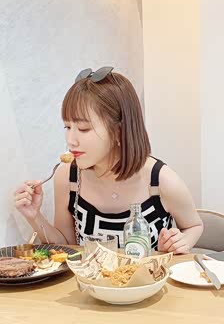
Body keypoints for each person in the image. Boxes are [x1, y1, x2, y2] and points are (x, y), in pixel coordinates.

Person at [14, 67, 203, 254]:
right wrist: (34, 216)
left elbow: (194, 226)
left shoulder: (161, 181)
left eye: (83, 129)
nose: (71, 140)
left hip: (149, 274)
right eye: (67, 127)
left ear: (119, 130)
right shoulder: (68, 177)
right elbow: (67, 247)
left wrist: (180, 242)